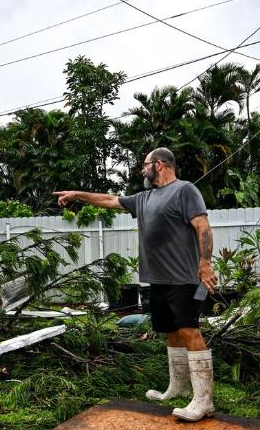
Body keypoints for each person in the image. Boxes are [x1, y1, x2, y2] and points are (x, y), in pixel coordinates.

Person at [53, 147, 217, 421]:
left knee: (190, 331)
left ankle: (204, 401)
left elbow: (202, 226)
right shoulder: (144, 198)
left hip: (183, 278)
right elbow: (109, 200)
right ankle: (177, 387)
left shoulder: (185, 190)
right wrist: (78, 195)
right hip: (158, 279)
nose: (142, 169)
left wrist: (205, 263)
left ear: (160, 164)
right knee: (171, 331)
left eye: (145, 164)